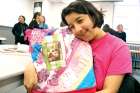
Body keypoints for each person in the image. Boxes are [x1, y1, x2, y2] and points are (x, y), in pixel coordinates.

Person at [61, 0, 132, 93]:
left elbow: (110, 90)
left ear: (93, 16)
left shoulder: (118, 47)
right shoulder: (71, 45)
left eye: (80, 20)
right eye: (72, 27)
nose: (77, 29)